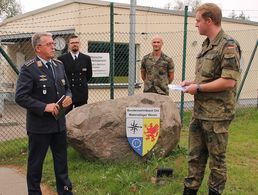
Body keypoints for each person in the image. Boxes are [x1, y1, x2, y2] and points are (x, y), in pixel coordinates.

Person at [181, 3, 241, 195]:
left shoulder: (228, 45)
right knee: (194, 158)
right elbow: (210, 77)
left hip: (217, 116)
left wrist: (197, 87)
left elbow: (228, 81)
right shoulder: (207, 44)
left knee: (217, 162)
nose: (196, 24)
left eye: (198, 20)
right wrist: (192, 82)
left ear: (209, 20)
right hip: (199, 114)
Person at [15, 32, 73, 195]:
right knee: (35, 166)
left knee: (62, 165)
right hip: (39, 127)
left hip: (59, 124)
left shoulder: (58, 65)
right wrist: (43, 107)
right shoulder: (28, 68)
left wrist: (68, 97)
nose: (53, 46)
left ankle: (66, 192)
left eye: (53, 44)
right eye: (49, 44)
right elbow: (20, 97)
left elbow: (67, 88)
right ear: (38, 48)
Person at [58, 34, 92, 113]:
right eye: (72, 43)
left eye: (76, 42)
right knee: (65, 116)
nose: (75, 44)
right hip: (67, 93)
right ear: (69, 45)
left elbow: (89, 75)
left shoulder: (86, 58)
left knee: (81, 116)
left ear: (80, 44)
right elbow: (60, 76)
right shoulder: (62, 59)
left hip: (81, 93)